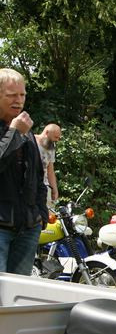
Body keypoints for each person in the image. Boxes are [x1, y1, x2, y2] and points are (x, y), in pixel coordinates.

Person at [0, 68, 48, 275]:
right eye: (11, 95)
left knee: (18, 297)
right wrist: (14, 133)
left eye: (22, 95)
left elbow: (38, 174)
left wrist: (40, 215)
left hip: (28, 227)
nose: (18, 100)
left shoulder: (25, 129)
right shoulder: (20, 128)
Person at [36, 122, 61, 207]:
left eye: (58, 138)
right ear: (47, 132)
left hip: (45, 188)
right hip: (30, 187)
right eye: (55, 137)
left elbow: (50, 171)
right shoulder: (31, 141)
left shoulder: (51, 148)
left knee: (48, 217)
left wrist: (55, 190)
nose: (57, 140)